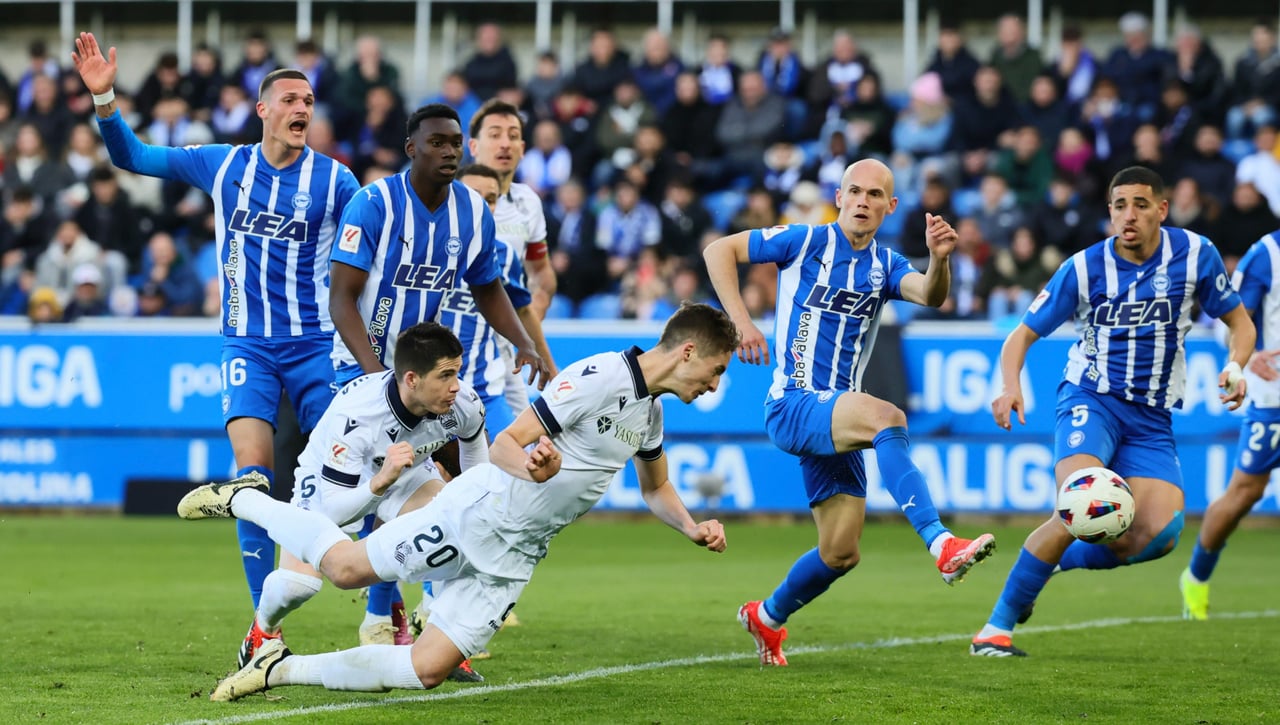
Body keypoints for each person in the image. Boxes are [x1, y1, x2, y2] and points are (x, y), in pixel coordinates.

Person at [177, 302, 735, 701]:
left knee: (427, 669)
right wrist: (534, 468)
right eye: (716, 369)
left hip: (518, 555)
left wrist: (690, 527)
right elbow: (508, 445)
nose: (714, 384)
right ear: (688, 351)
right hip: (477, 518)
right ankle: (246, 499)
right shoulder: (600, 375)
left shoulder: (651, 413)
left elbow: (656, 488)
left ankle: (278, 671)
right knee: (344, 570)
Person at [72, 32, 361, 646]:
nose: (302, 108)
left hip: (314, 346)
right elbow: (135, 158)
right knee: (251, 483)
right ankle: (266, 632)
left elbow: (370, 251)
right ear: (263, 110)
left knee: (358, 471)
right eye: (289, 98)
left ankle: (383, 613)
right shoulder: (224, 163)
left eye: (308, 99)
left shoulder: (336, 181)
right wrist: (105, 102)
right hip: (247, 346)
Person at [702, 158, 998, 667]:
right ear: (839, 197)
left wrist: (939, 259)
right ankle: (942, 545)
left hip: (837, 413)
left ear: (890, 205)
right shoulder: (804, 241)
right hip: (794, 403)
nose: (862, 201)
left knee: (840, 552)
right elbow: (718, 249)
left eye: (874, 194)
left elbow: (930, 294)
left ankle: (766, 617)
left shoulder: (887, 264)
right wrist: (742, 323)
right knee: (890, 418)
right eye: (854, 192)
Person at [972, 166, 1255, 657]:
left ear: (1161, 210)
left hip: (1152, 417)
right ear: (1109, 212)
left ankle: (1055, 561)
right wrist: (1009, 386)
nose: (1129, 215)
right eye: (1119, 205)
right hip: (1091, 400)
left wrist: (1235, 365)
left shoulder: (1195, 255)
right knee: (1080, 503)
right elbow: (1022, 335)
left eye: (1141, 205)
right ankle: (995, 629)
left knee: (1157, 536)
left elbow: (1240, 323)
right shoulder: (1083, 268)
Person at [327, 102, 550, 648]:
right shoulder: (373, 203)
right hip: (365, 372)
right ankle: (384, 615)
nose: (449, 151)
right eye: (437, 142)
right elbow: (342, 299)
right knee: (380, 495)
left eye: (454, 142)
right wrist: (378, 378)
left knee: (434, 497)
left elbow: (488, 287)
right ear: (411, 148)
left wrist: (522, 340)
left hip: (432, 382)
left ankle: (406, 616)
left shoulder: (473, 211)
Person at [237, 321, 489, 679]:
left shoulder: (463, 404)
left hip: (406, 473)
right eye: (445, 375)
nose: (456, 387)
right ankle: (262, 630)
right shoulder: (357, 416)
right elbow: (337, 508)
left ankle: (444, 645)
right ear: (413, 379)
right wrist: (381, 482)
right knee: (299, 586)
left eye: (458, 373)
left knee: (460, 526)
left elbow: (479, 479)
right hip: (332, 480)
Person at [1180, 228, 1280, 620]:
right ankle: (1196, 576)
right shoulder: (1267, 254)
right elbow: (1230, 323)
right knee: (1244, 492)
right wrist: (1247, 355)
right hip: (1274, 398)